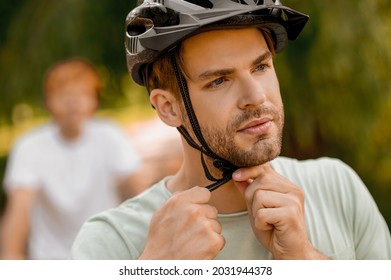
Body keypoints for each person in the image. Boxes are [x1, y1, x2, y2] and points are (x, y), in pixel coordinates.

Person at [70, 0, 391, 260]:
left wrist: (303, 259)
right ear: (168, 107)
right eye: (219, 80)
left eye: (261, 66)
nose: (256, 97)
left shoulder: (338, 188)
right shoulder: (110, 242)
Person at [0, 58, 141, 259]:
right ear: (48, 101)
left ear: (94, 99)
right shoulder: (29, 146)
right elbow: (18, 211)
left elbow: (135, 190)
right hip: (52, 261)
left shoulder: (111, 136)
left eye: (82, 93)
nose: (73, 102)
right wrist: (10, 259)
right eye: (64, 94)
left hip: (106, 254)